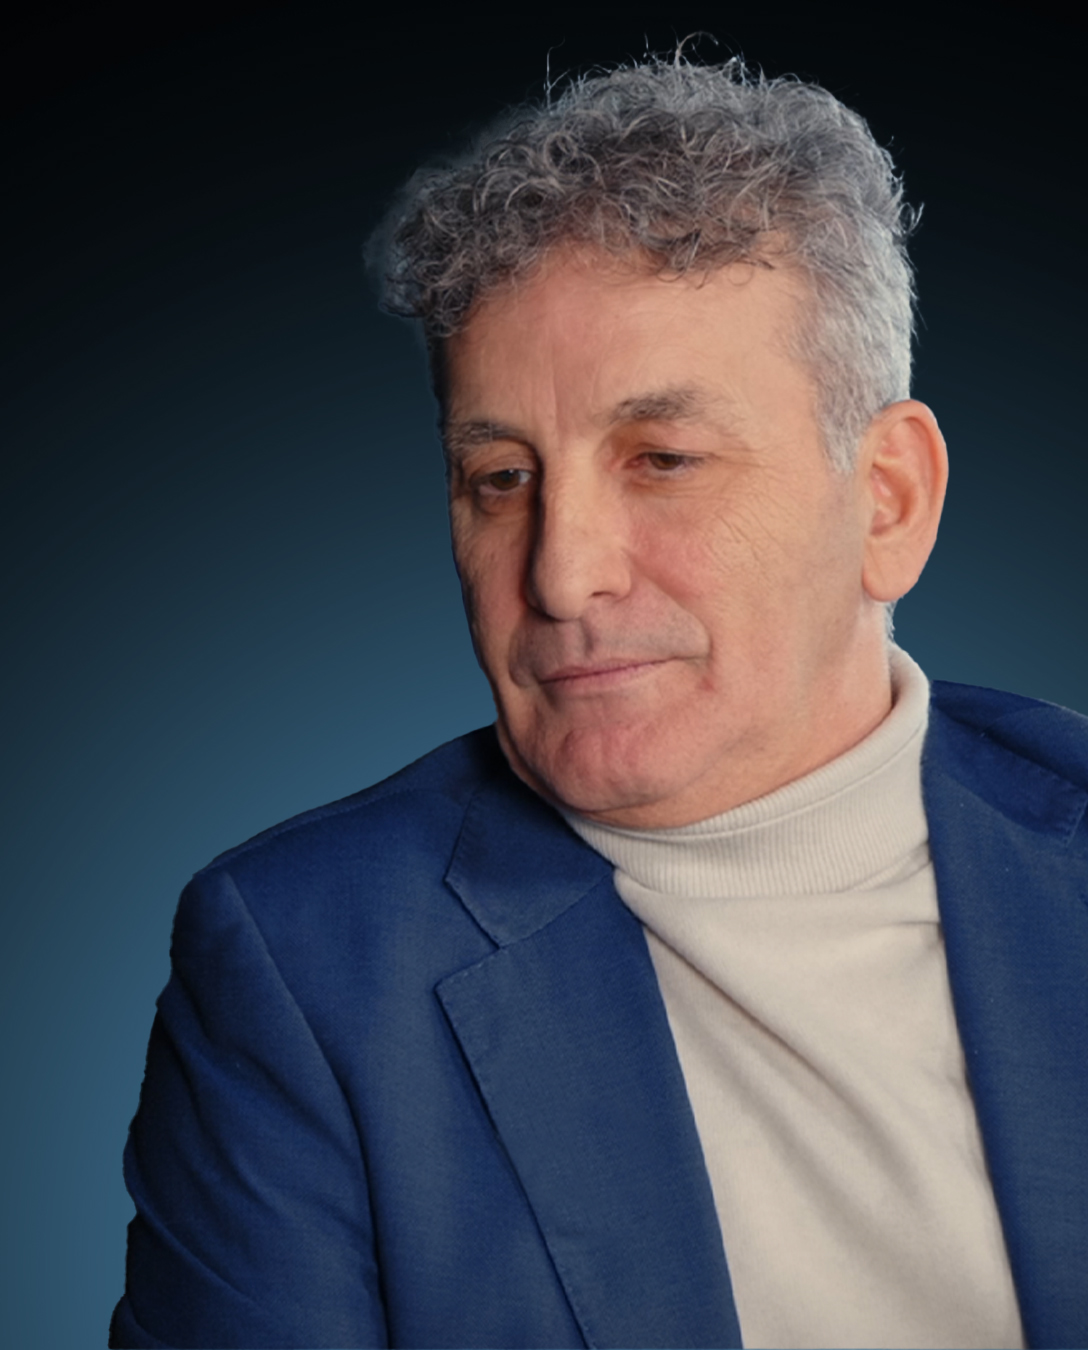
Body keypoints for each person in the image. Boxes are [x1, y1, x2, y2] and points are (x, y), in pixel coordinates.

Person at [110, 56, 1088, 1350]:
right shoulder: (309, 971)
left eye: (662, 459)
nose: (561, 573)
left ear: (889, 500)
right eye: (501, 478)